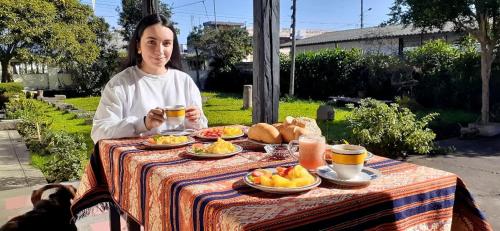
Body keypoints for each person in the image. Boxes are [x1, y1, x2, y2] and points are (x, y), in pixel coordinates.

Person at [91, 14, 208, 143]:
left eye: (166, 43)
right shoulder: (120, 84)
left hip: (182, 157)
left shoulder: (185, 81)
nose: (159, 50)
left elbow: (202, 129)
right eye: (151, 42)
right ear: (138, 46)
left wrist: (196, 119)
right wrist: (143, 123)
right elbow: (98, 132)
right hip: (137, 160)